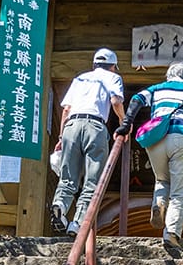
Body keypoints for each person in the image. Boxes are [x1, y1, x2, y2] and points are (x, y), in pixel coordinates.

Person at [120, 62, 183, 249]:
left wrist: (127, 122)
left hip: (155, 139)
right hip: (181, 137)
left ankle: (159, 203)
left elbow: (137, 99)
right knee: (179, 191)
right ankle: (171, 232)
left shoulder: (157, 88)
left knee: (162, 179)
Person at [50, 47, 126, 233]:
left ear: (94, 64)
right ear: (113, 66)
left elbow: (66, 109)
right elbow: (116, 101)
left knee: (68, 176)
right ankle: (78, 223)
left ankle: (60, 203)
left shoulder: (80, 79)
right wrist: (124, 123)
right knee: (93, 180)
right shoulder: (112, 78)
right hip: (95, 126)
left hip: (71, 126)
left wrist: (61, 137)